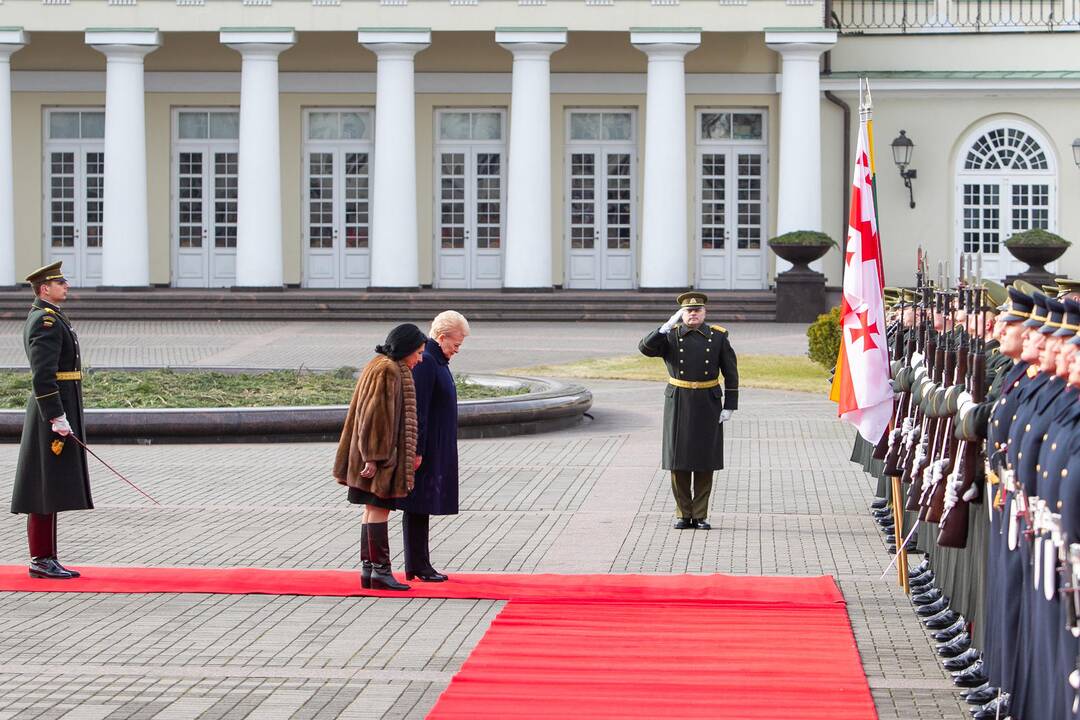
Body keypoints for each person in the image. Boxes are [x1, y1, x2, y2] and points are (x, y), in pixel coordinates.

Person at [10, 261, 92, 579]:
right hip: (50, 412)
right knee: (43, 487)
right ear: (45, 288)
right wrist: (56, 415)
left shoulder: (53, 317)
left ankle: (47, 556)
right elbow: (43, 376)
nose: (66, 286)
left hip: (57, 408)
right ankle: (40, 559)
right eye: (61, 283)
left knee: (51, 487)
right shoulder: (45, 321)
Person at [333, 323, 428, 591]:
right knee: (378, 508)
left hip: (372, 455)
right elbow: (376, 417)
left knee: (371, 509)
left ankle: (370, 570)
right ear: (406, 349)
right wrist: (375, 458)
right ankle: (380, 571)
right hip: (380, 457)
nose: (419, 359)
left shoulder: (381, 365)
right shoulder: (388, 370)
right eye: (418, 353)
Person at [639, 292, 739, 530]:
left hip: (708, 401)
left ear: (705, 313)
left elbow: (731, 372)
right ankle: (684, 514)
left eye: (698, 310)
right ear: (681, 314)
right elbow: (644, 348)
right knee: (678, 460)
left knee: (705, 461)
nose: (693, 314)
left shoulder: (718, 337)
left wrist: (730, 406)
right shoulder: (670, 336)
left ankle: (701, 514)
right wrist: (664, 327)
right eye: (688, 311)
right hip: (679, 401)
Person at [399, 311, 470, 582]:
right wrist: (417, 450)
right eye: (456, 344)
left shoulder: (438, 359)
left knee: (422, 505)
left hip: (435, 446)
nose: (457, 350)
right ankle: (418, 565)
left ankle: (419, 563)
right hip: (425, 449)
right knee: (417, 504)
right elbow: (419, 410)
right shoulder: (428, 361)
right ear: (441, 338)